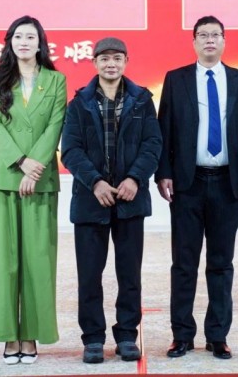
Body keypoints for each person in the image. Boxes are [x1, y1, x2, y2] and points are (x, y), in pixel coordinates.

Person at [155, 15, 238, 360]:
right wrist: (163, 173)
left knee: (221, 263)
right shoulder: (176, 80)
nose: (210, 40)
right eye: (203, 35)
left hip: (228, 183)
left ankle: (218, 335)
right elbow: (164, 129)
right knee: (183, 263)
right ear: (194, 42)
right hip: (187, 183)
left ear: (224, 41)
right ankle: (181, 335)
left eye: (216, 35)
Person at [61, 37, 162, 364]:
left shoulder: (142, 100)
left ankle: (127, 335)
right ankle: (93, 338)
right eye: (104, 58)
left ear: (125, 62)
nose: (111, 64)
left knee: (129, 274)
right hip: (91, 202)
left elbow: (153, 145)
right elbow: (70, 150)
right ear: (94, 63)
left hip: (130, 201)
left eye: (117, 58)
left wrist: (135, 178)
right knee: (90, 275)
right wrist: (95, 182)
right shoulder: (79, 103)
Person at [0, 15, 67, 365]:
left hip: (40, 181)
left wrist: (35, 166)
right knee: (2, 261)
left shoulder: (56, 80)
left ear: (40, 43)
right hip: (4, 178)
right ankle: (8, 335)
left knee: (37, 261)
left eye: (31, 37)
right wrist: (20, 162)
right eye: (18, 36)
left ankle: (30, 336)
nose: (24, 42)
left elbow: (55, 125)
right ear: (10, 42)